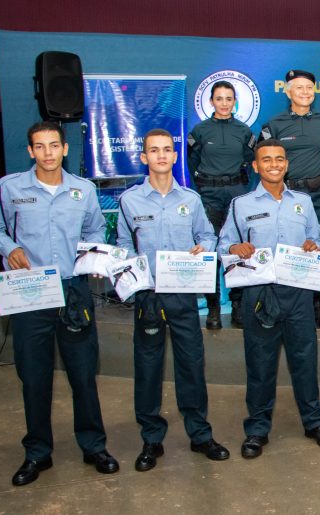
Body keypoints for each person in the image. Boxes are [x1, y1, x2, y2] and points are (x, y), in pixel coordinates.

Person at [0, 121, 118, 485]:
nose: (48, 153)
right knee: (34, 376)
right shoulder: (10, 189)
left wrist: (92, 256)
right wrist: (11, 249)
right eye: (39, 147)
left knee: (83, 374)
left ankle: (94, 446)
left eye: (54, 146)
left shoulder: (83, 190)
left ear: (64, 149)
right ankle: (37, 453)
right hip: (30, 291)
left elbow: (94, 231)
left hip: (74, 291)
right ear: (30, 151)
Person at [117, 129, 230, 471]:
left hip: (182, 296)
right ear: (144, 157)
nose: (162, 156)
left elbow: (207, 235)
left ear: (175, 155)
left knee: (191, 366)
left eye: (167, 150)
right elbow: (123, 247)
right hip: (148, 298)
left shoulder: (191, 200)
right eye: (154, 150)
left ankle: (200, 434)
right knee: (148, 369)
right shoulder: (130, 200)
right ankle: (152, 439)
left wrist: (204, 248)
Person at [218, 139, 320, 457]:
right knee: (260, 364)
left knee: (304, 360)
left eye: (280, 159)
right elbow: (223, 245)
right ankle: (257, 429)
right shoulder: (241, 204)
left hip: (298, 292)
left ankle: (314, 422)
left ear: (287, 164)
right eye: (266, 159)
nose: (274, 164)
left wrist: (315, 244)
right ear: (256, 166)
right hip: (259, 294)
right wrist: (233, 249)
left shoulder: (303, 201)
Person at [260, 69, 320, 330]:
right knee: (284, 245)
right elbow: (265, 159)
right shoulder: (275, 124)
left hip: (316, 196)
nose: (305, 92)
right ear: (287, 91)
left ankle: (319, 304)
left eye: (309, 88)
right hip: (284, 196)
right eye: (299, 87)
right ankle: (279, 301)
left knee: (317, 249)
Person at [187, 80, 257, 330]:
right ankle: (214, 306)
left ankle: (237, 306)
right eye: (219, 98)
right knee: (210, 251)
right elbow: (192, 162)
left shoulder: (245, 131)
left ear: (235, 101)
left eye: (229, 99)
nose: (224, 103)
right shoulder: (200, 131)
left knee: (237, 250)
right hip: (209, 195)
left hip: (237, 194)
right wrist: (207, 185)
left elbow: (251, 161)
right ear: (211, 101)